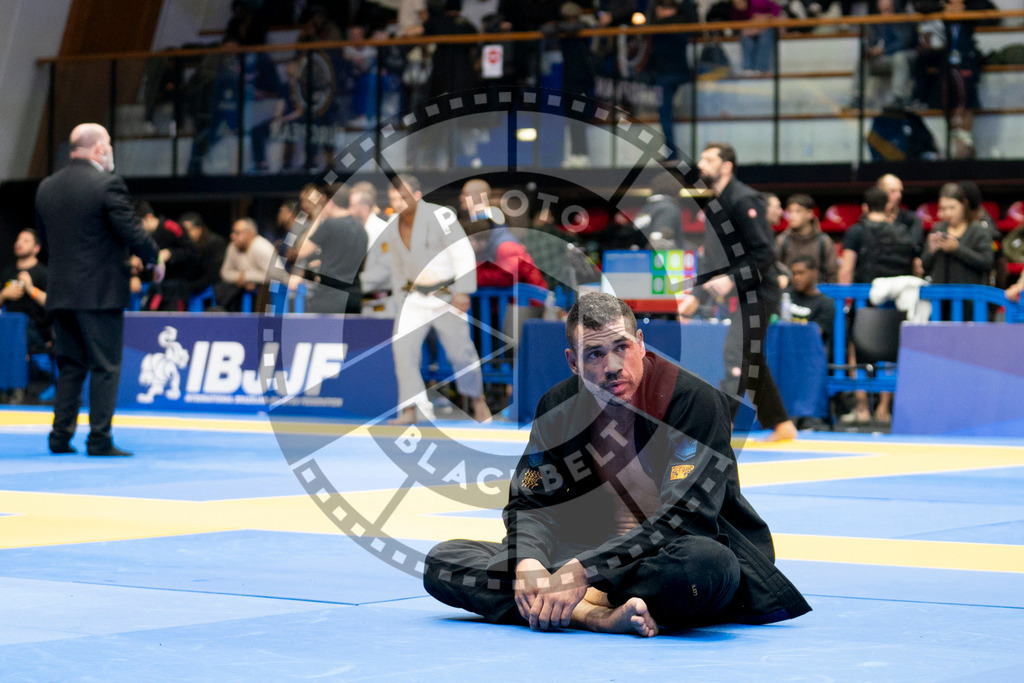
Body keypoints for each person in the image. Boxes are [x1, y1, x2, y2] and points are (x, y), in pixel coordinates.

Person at [423, 292, 811, 634]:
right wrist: (528, 562)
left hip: (664, 559)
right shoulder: (556, 409)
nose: (612, 365)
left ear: (640, 343)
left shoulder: (692, 402)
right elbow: (531, 502)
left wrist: (583, 574)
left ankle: (577, 601)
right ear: (572, 363)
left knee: (707, 567)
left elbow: (685, 518)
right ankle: (595, 616)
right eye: (594, 354)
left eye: (621, 347)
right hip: (582, 553)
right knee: (443, 562)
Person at [35, 123, 163, 456]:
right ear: (98, 149)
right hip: (99, 292)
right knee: (105, 366)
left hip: (61, 290)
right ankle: (99, 438)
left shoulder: (46, 186)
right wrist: (154, 259)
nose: (110, 151)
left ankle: (59, 437)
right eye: (107, 145)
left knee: (70, 366)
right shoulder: (107, 183)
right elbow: (132, 232)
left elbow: (48, 241)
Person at [696, 142, 798, 442]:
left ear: (726, 166)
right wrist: (697, 294)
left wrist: (730, 279)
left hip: (759, 290)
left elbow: (765, 253)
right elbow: (714, 257)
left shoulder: (743, 199)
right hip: (741, 290)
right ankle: (781, 424)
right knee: (751, 359)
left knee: (737, 353)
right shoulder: (715, 202)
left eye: (709, 159)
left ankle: (721, 427)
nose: (701, 164)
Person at [386, 174, 491, 424]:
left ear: (417, 196)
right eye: (392, 199)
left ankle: (478, 402)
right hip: (414, 296)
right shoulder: (392, 224)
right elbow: (397, 266)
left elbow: (462, 252)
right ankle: (411, 409)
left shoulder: (441, 215)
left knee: (461, 352)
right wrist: (399, 296)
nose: (397, 203)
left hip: (446, 294)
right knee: (403, 350)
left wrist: (463, 290)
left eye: (401, 198)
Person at [838, 186, 919, 425]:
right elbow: (915, 267)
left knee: (857, 350)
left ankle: (862, 408)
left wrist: (846, 300)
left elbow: (847, 269)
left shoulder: (856, 231)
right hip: (897, 305)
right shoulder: (903, 232)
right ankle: (885, 409)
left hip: (866, 303)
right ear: (887, 206)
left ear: (864, 208)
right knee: (892, 353)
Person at [921, 183, 994, 320]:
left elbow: (986, 262)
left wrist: (957, 249)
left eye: (952, 208)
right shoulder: (938, 228)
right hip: (940, 303)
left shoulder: (979, 230)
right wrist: (931, 250)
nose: (947, 213)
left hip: (970, 302)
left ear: (964, 205)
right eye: (943, 208)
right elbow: (925, 266)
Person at [460, 179, 547, 288]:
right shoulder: (482, 226)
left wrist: (469, 277)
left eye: (466, 194)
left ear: (479, 196)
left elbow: (508, 275)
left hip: (524, 299)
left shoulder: (502, 240)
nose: (461, 197)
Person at [296, 186, 368, 314]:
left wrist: (319, 219)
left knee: (321, 334)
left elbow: (301, 252)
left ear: (330, 202)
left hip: (329, 296)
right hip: (354, 296)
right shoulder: (362, 230)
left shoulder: (329, 225)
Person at [647, 0, 696, 161]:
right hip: (680, 73)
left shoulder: (658, 26)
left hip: (666, 75)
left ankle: (672, 154)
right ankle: (673, 153)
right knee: (666, 115)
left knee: (665, 115)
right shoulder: (683, 21)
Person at [848, 0, 916, 109]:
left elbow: (904, 42)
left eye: (888, 10)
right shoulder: (876, 22)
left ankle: (898, 98)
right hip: (883, 58)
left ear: (895, 8)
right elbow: (871, 42)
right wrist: (870, 51)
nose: (885, 14)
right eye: (882, 11)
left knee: (900, 57)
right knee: (864, 61)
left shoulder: (904, 19)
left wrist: (883, 50)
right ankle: (857, 97)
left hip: (902, 55)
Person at [134, 202, 200, 312]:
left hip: (175, 287)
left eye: (139, 223)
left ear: (149, 217)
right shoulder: (140, 237)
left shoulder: (171, 227)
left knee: (175, 324)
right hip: (154, 288)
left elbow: (192, 252)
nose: (138, 228)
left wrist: (170, 253)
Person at [219, 217, 283, 312]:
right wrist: (243, 279)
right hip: (241, 288)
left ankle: (263, 323)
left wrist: (247, 276)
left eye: (237, 233)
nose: (232, 236)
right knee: (223, 288)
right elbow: (225, 273)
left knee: (265, 289)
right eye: (232, 232)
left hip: (269, 290)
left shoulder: (262, 248)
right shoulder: (233, 247)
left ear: (250, 233)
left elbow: (277, 275)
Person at [775, 194, 839, 284]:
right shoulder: (782, 240)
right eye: (790, 211)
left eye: (798, 211)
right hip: (789, 294)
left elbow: (832, 274)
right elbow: (774, 271)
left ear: (809, 214)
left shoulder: (824, 241)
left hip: (818, 294)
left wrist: (829, 296)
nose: (792, 216)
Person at [788, 255, 835, 352]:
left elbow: (814, 334)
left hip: (809, 353)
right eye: (794, 274)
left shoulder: (825, 303)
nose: (797, 277)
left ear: (814, 273)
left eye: (801, 273)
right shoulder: (786, 296)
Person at [180, 212, 228, 307]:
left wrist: (191, 286)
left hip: (213, 286)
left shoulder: (216, 243)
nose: (185, 235)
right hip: (193, 285)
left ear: (199, 229)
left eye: (188, 231)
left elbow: (214, 274)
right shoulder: (186, 245)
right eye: (183, 232)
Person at [730, 0, 781, 75]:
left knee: (765, 38)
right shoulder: (734, 12)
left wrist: (765, 19)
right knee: (746, 40)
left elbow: (775, 11)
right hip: (751, 31)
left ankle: (762, 69)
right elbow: (739, 27)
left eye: (740, 2)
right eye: (735, 3)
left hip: (767, 27)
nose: (738, 5)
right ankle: (748, 68)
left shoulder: (757, 3)